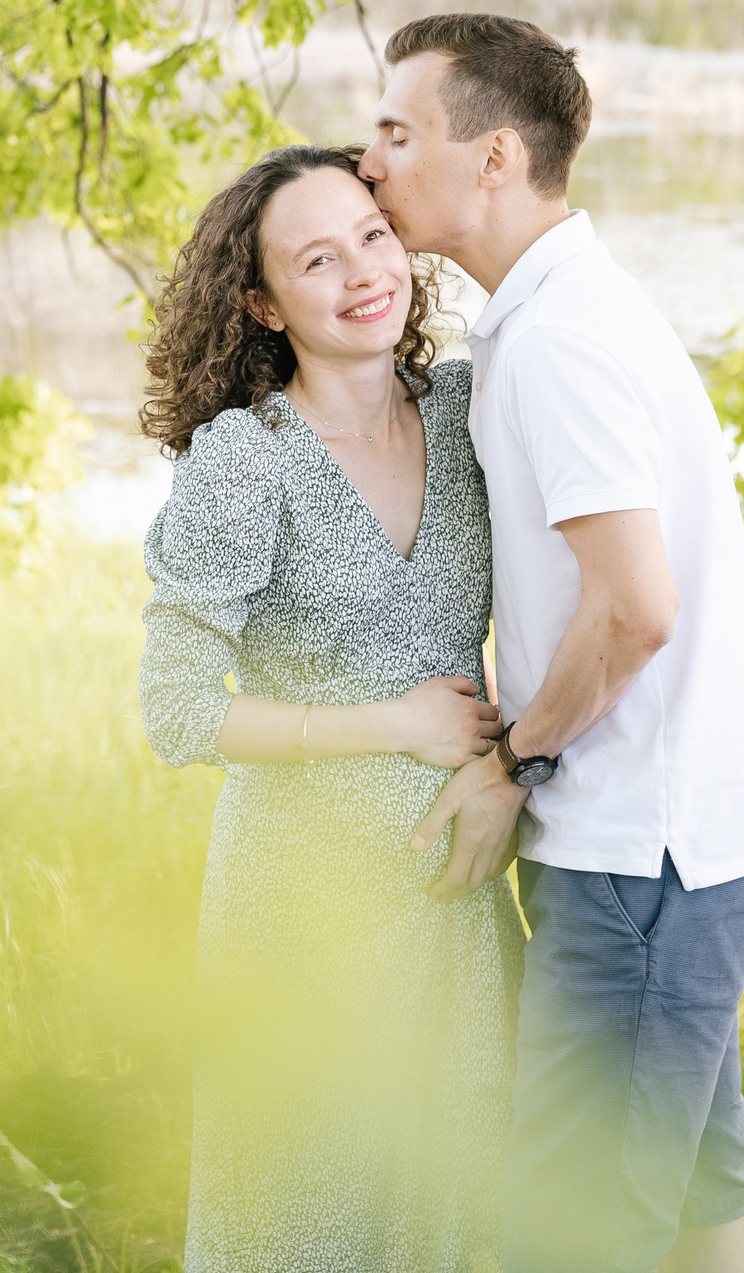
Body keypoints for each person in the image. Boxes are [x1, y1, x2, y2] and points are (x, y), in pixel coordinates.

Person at [359, 13, 744, 1273]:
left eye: (397, 132)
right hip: (669, 841)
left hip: (639, 850)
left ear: (495, 157)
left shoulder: (561, 340)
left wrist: (512, 764)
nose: (369, 161)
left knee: (575, 1222)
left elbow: (634, 610)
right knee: (698, 1186)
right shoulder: (552, 314)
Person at [137, 144, 522, 1272]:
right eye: (317, 260)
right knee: (300, 1220)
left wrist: (504, 764)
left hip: (453, 900)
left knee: (450, 1213)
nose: (364, 273)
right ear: (262, 304)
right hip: (300, 907)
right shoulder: (244, 462)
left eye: (372, 234)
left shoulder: (468, 410)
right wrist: (394, 724)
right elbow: (176, 712)